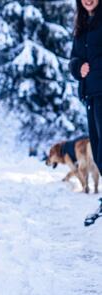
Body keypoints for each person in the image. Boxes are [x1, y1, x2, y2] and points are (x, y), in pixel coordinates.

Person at [70, 0, 102, 226]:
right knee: (99, 150)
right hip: (90, 95)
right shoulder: (82, 24)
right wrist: (77, 68)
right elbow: (73, 58)